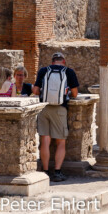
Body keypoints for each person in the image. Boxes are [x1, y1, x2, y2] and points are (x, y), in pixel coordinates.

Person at [33, 52, 79, 182]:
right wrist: (67, 91)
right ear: (63, 61)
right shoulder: (68, 71)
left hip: (43, 109)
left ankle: (45, 172)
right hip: (60, 109)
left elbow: (35, 91)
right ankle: (57, 172)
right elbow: (75, 94)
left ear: (52, 62)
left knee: (45, 141)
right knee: (60, 142)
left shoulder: (43, 70)